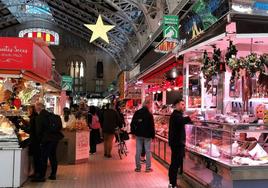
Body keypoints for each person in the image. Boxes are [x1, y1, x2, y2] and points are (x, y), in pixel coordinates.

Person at [168, 99, 196, 188]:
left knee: (175, 163)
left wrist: (191, 120)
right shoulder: (175, 115)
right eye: (182, 104)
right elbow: (181, 121)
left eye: (184, 104)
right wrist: (191, 117)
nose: (184, 106)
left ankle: (173, 182)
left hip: (177, 142)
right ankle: (172, 184)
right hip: (177, 143)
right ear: (176, 105)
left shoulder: (178, 115)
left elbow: (182, 121)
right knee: (175, 164)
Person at [33, 102, 63, 182]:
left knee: (44, 157)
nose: (35, 109)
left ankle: (42, 176)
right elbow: (60, 127)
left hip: (46, 140)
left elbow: (38, 131)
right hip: (55, 139)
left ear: (37, 108)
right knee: (53, 156)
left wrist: (40, 140)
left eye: (35, 107)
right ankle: (53, 174)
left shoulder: (40, 117)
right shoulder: (53, 115)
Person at [131, 100, 155, 173]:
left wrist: (133, 132)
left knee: (138, 150)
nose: (151, 105)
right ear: (147, 104)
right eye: (150, 104)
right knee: (148, 151)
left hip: (139, 134)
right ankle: (148, 168)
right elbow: (152, 126)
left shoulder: (137, 112)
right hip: (147, 135)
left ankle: (138, 168)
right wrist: (153, 136)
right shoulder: (149, 114)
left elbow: (132, 123)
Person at [27, 105, 40, 178]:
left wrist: (22, 127)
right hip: (36, 140)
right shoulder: (36, 117)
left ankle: (34, 171)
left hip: (33, 140)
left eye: (29, 110)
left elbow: (31, 130)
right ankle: (34, 171)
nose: (28, 111)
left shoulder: (32, 118)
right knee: (35, 156)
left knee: (33, 156)